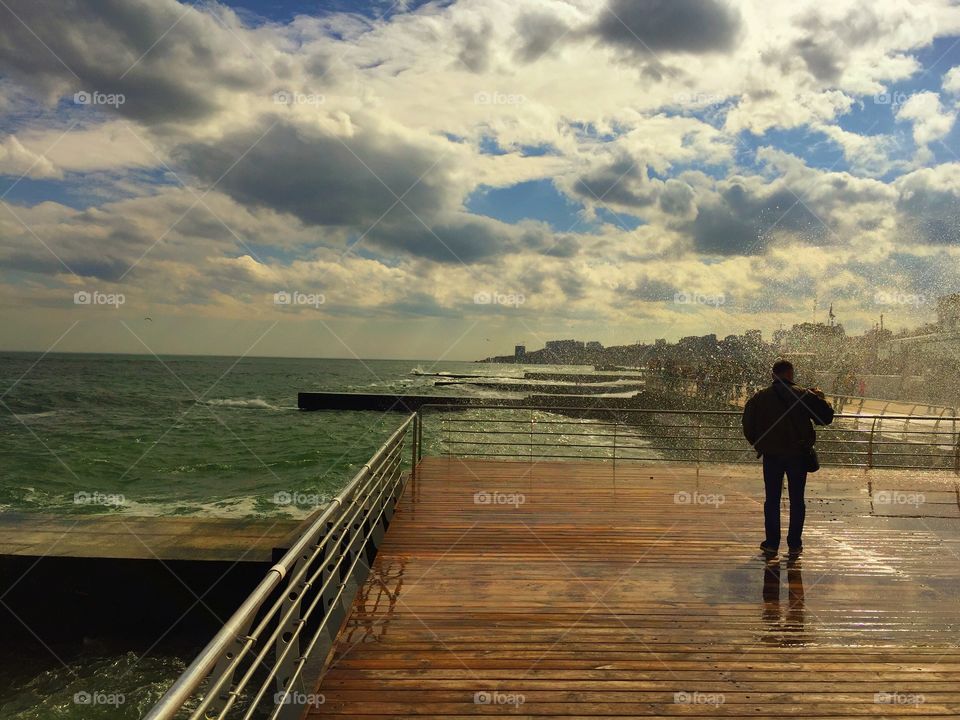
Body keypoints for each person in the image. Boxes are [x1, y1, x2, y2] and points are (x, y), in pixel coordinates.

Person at [742, 360, 834, 556]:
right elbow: (825, 418)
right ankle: (794, 545)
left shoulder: (760, 397)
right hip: (798, 456)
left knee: (772, 500)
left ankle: (771, 544)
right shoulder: (803, 395)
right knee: (797, 500)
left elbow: (748, 425)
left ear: (772, 375)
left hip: (772, 456)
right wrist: (821, 397)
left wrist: (761, 444)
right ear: (791, 374)